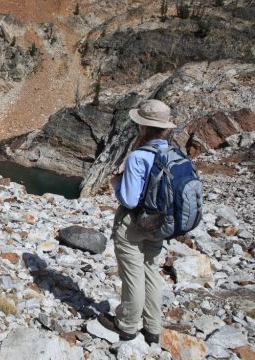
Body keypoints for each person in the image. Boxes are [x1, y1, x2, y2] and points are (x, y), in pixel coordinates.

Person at [97, 99, 177, 345]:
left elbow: (130, 200)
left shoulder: (138, 157)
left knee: (132, 274)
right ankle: (153, 328)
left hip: (134, 224)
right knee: (151, 271)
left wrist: (116, 184)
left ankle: (127, 325)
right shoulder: (175, 154)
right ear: (165, 128)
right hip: (162, 223)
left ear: (143, 127)